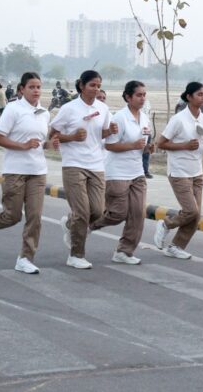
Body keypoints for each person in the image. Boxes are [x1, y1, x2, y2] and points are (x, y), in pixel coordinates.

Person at [0, 72, 59, 273]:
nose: (36, 91)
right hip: (15, 171)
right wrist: (23, 146)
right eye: (31, 87)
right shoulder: (13, 109)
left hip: (38, 171)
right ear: (22, 89)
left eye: (39, 87)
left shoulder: (44, 113)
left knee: (35, 217)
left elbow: (40, 142)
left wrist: (50, 144)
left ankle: (25, 258)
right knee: (12, 215)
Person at [50, 70, 116, 269]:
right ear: (81, 85)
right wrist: (72, 137)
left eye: (98, 86)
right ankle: (76, 255)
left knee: (97, 211)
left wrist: (110, 131)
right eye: (92, 85)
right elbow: (52, 135)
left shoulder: (103, 108)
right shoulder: (69, 109)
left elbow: (100, 134)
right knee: (82, 212)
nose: (96, 89)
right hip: (73, 164)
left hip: (96, 165)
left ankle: (69, 224)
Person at [88, 80, 150, 265]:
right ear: (128, 97)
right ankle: (85, 226)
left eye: (144, 95)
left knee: (138, 213)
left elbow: (142, 145)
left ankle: (124, 251)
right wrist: (133, 145)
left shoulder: (145, 118)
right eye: (138, 95)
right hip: (117, 172)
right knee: (118, 213)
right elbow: (110, 145)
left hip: (137, 172)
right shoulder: (120, 118)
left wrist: (148, 148)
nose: (142, 98)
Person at [154, 82, 203, 259]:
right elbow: (161, 143)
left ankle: (176, 247)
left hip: (197, 172)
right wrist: (184, 145)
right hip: (179, 171)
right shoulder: (178, 119)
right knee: (191, 211)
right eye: (199, 94)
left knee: (195, 216)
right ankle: (166, 224)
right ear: (189, 97)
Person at [141, 96, 154, 178]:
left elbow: (148, 117)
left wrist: (150, 130)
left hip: (147, 130)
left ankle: (145, 171)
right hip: (138, 131)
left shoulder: (147, 102)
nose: (142, 97)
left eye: (144, 94)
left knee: (147, 152)